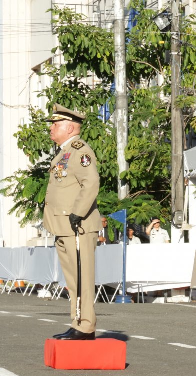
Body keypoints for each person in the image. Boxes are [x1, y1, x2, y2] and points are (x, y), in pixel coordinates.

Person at [43, 104, 100, 340]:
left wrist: (78, 212)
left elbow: (91, 182)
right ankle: (77, 321)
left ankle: (85, 325)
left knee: (81, 277)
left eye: (55, 125)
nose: (51, 129)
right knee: (73, 278)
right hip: (63, 226)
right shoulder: (64, 152)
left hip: (78, 225)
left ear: (69, 128)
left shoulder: (80, 150)